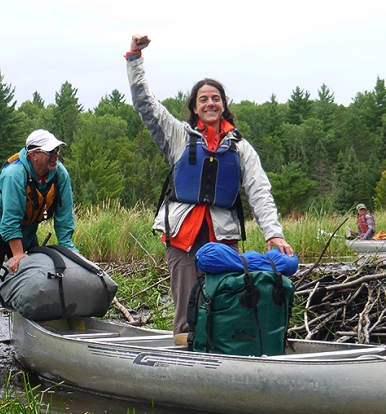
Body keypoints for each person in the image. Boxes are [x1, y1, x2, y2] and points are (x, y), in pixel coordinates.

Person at [126, 34, 294, 336]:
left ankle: (221, 358)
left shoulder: (241, 148)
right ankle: (187, 353)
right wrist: (135, 57)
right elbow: (145, 104)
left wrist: (274, 235)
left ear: (224, 105)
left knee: (222, 303)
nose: (210, 103)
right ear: (194, 107)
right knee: (188, 309)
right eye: (203, 99)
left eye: (215, 98)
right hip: (183, 237)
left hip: (222, 237)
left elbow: (260, 192)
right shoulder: (179, 137)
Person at [0, 129, 77, 353]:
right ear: (33, 155)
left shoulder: (60, 174)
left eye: (57, 149)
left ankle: (30, 336)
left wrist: (69, 251)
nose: (56, 154)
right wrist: (17, 255)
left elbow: (65, 218)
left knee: (35, 279)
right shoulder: (14, 175)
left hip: (25, 230)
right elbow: (9, 221)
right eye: (50, 151)